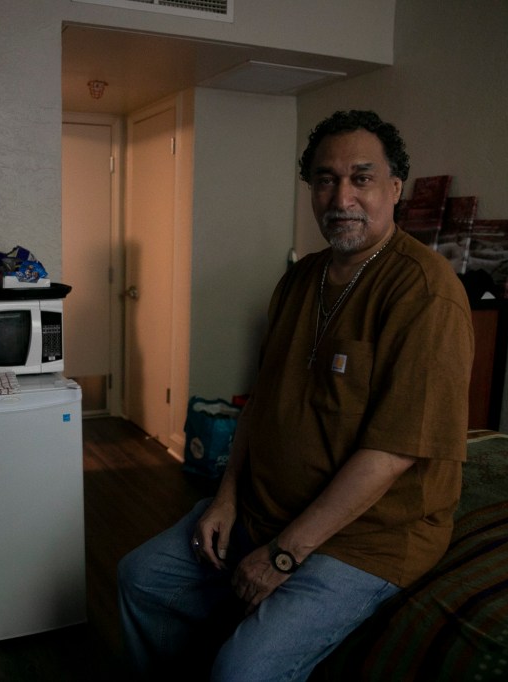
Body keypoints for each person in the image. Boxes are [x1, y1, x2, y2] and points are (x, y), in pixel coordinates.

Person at [117, 110, 474, 682]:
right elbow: (260, 405)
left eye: (362, 178)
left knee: (242, 670)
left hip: (366, 540)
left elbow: (395, 450)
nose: (343, 196)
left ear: (395, 189)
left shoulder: (426, 291)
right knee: (141, 577)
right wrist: (227, 499)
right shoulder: (300, 279)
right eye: (326, 179)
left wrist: (285, 553)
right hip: (261, 508)